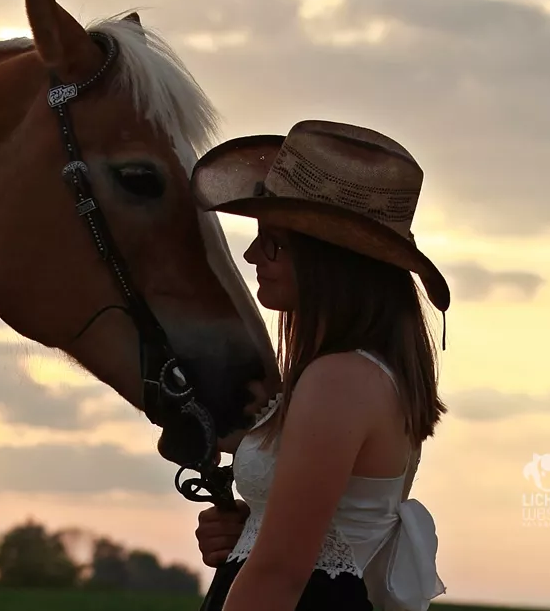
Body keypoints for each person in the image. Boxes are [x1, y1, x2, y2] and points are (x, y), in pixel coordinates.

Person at [189, 120, 450, 611]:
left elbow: (283, 573)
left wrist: (263, 548)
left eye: (274, 242)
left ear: (327, 259)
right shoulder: (356, 374)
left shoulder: (341, 380)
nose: (250, 255)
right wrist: (253, 526)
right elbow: (335, 532)